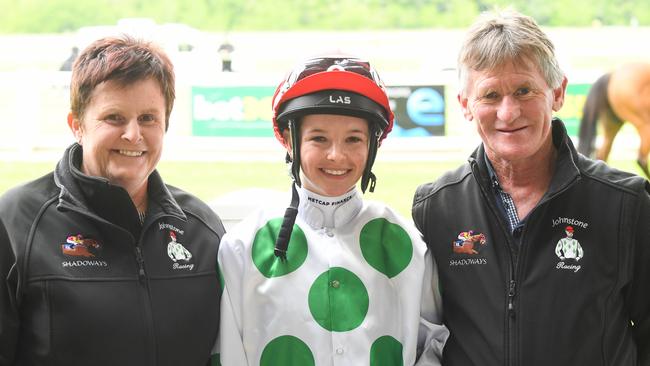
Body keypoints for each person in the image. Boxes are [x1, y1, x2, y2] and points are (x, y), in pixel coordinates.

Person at [412, 9, 650, 366]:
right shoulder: (434, 208)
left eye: (524, 90)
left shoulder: (627, 204)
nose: (508, 112)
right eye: (490, 95)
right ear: (465, 105)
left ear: (557, 93)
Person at [0, 36, 225, 366]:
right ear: (77, 125)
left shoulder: (202, 229)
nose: (133, 134)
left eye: (148, 118)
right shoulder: (16, 222)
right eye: (114, 118)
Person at [216, 55, 448, 365]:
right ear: (289, 140)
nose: (336, 155)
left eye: (354, 139)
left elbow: (435, 343)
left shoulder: (410, 244)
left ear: (373, 144)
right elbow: (227, 353)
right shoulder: (241, 246)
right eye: (319, 138)